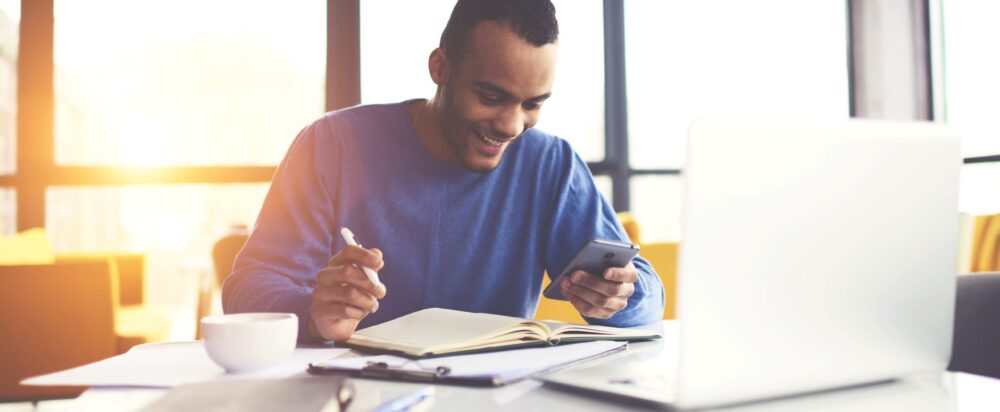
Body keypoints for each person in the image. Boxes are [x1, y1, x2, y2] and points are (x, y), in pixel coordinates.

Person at [222, 0, 665, 341]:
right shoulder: (330, 144)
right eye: (491, 96)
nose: (512, 126)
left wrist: (621, 296)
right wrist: (313, 313)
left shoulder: (550, 164)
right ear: (439, 68)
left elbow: (647, 294)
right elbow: (245, 290)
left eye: (532, 104)